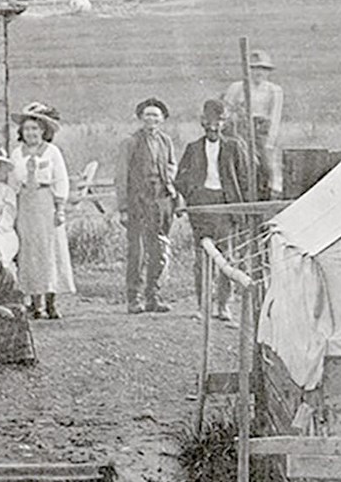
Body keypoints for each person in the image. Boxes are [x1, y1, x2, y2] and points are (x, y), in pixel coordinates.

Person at [176, 99, 251, 322]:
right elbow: (180, 177)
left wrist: (242, 209)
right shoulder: (193, 148)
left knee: (226, 257)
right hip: (201, 206)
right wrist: (193, 194)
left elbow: (245, 179)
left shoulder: (235, 147)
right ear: (201, 122)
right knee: (202, 259)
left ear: (224, 123)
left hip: (226, 206)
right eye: (208, 122)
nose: (213, 127)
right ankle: (203, 306)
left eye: (218, 122)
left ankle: (224, 305)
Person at [10, 104, 77, 319]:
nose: (31, 133)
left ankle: (51, 302)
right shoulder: (16, 154)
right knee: (29, 252)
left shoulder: (52, 152)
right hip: (25, 204)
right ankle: (35, 303)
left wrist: (60, 208)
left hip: (46, 202)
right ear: (21, 132)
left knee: (50, 250)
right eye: (27, 129)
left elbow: (60, 179)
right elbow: (12, 183)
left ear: (43, 131)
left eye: (35, 129)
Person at [116, 97, 180, 313]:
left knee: (158, 250)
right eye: (147, 114)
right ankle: (134, 299)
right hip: (138, 202)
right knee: (138, 252)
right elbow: (121, 175)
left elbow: (172, 167)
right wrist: (123, 208)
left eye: (155, 114)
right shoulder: (131, 142)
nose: (151, 118)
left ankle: (153, 296)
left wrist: (172, 193)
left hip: (161, 201)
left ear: (162, 118)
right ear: (141, 117)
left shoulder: (165, 141)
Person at [221, 49, 285, 198]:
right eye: (255, 68)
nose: (258, 72)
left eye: (262, 69)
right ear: (248, 69)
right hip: (239, 130)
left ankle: (264, 197)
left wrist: (269, 142)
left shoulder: (274, 90)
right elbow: (227, 111)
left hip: (261, 133)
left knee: (264, 167)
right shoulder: (237, 87)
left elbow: (275, 118)